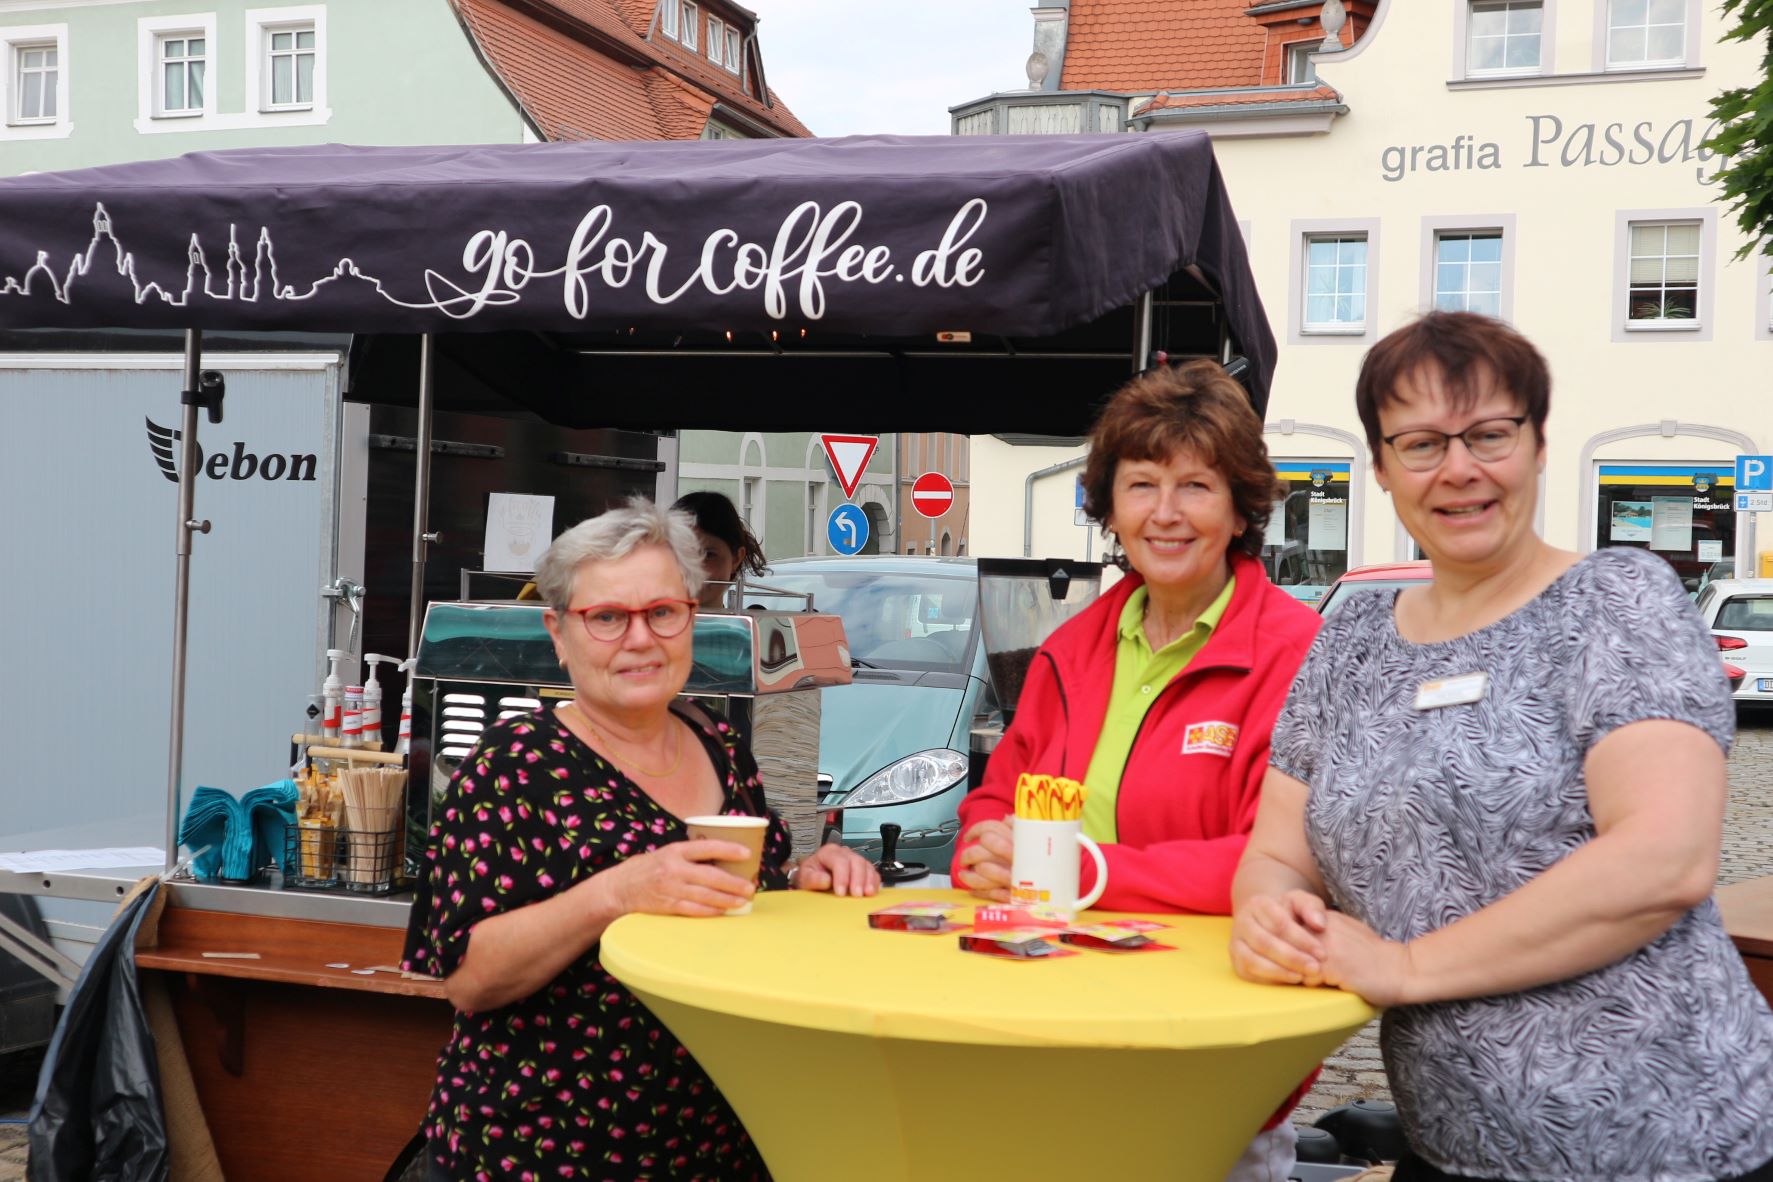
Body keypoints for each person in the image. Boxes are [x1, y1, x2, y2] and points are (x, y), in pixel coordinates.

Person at [1231, 311, 1773, 1182]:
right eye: (1419, 443)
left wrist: (1403, 965)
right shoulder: (1352, 641)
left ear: (1537, 443)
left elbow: (1662, 860)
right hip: (1451, 1148)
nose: (1458, 469)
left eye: (1487, 433)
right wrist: (1270, 912)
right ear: (1379, 467)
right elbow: (1275, 853)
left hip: (1667, 1143)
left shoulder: (1613, 602)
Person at [402, 498, 879, 1181]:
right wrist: (615, 892)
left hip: (711, 1146)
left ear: (692, 616)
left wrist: (807, 879)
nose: (639, 638)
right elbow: (471, 980)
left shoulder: (716, 744)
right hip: (544, 1155)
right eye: (606, 618)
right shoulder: (514, 765)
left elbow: (744, 896)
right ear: (558, 633)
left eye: (662, 611)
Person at [950, 359, 1323, 1181]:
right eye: (1140, 483)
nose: (1164, 513)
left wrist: (1079, 871)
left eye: (1195, 486)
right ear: (1108, 508)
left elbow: (1284, 858)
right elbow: (993, 800)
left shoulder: (1295, 657)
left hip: (1203, 1054)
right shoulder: (1069, 648)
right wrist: (983, 844)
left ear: (1239, 508)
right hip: (1050, 1031)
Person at [673, 490, 768, 609]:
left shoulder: (745, 626)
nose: (693, 568)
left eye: (708, 554)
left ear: (736, 559)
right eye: (681, 552)